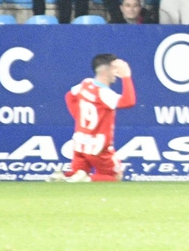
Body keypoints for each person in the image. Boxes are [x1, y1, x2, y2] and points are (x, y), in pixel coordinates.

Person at [56, 54, 135, 182]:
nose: (117, 72)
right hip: (98, 146)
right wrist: (126, 76)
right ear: (105, 70)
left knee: (76, 173)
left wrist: (79, 120)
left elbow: (69, 96)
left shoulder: (85, 84)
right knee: (114, 175)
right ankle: (86, 180)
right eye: (114, 68)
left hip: (80, 144)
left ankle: (64, 177)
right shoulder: (105, 93)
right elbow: (129, 101)